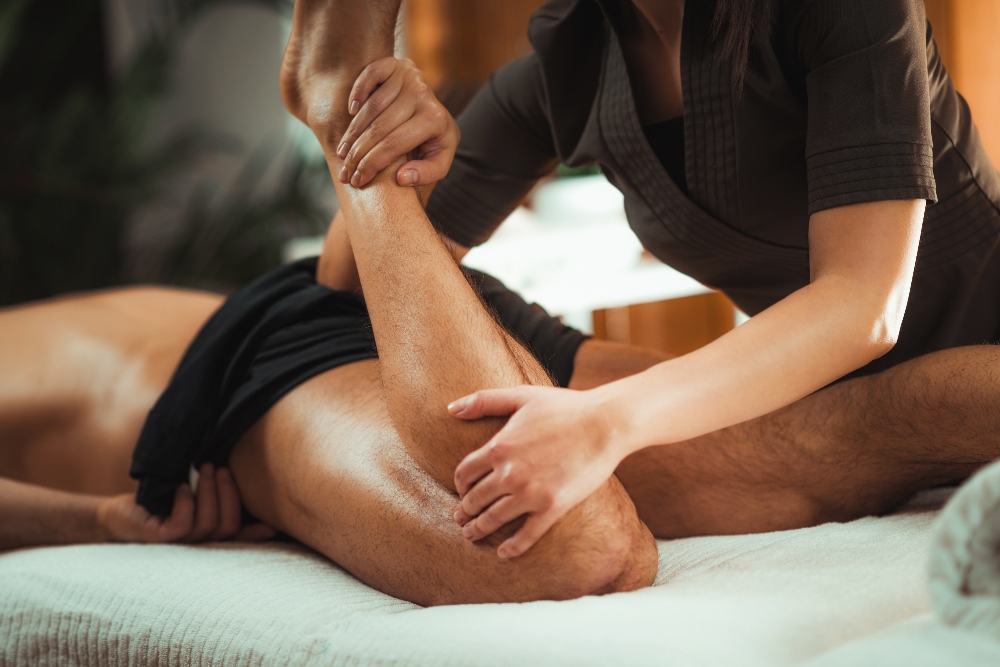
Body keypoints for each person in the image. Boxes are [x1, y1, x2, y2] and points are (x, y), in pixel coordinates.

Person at [1, 0, 998, 608]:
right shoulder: (573, 53)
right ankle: (338, 88)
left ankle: (335, 86)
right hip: (269, 379)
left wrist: (376, 145)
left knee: (860, 430)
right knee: (588, 546)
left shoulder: (818, 17)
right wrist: (100, 519)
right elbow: (355, 279)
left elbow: (342, 289)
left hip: (317, 334)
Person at [332, 0, 1000, 559]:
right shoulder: (568, 61)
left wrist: (609, 419)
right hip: (852, 420)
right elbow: (353, 281)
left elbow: (862, 304)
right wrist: (380, 132)